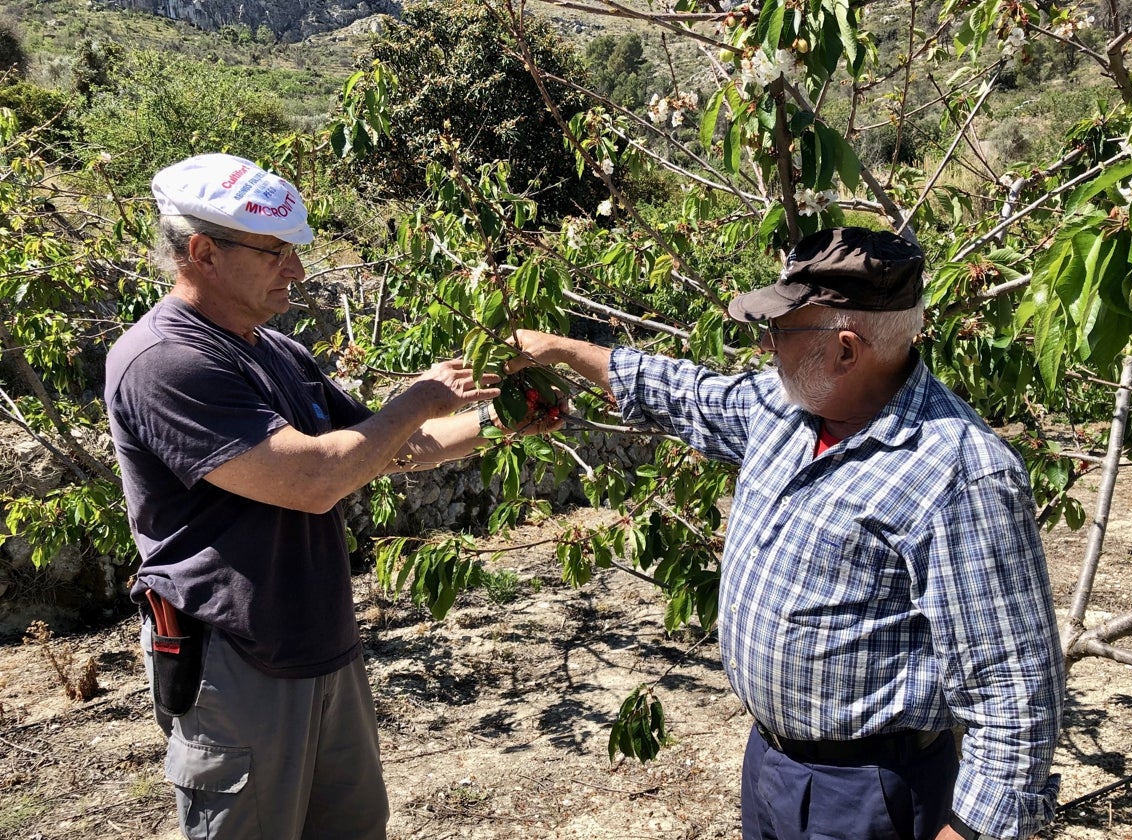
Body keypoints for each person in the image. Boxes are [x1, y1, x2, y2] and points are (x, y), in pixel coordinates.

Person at [510, 227, 1065, 840]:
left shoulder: (959, 472)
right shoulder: (786, 407)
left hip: (869, 794)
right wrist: (557, 350)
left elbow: (1015, 696)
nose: (768, 346)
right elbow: (683, 393)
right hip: (773, 768)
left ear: (847, 349)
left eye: (782, 329)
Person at [104, 152, 544, 840]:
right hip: (237, 657)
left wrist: (498, 420)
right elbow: (312, 481)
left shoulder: (278, 352)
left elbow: (388, 449)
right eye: (277, 251)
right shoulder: (166, 360)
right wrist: (420, 398)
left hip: (320, 642)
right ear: (202, 252)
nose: (298, 271)